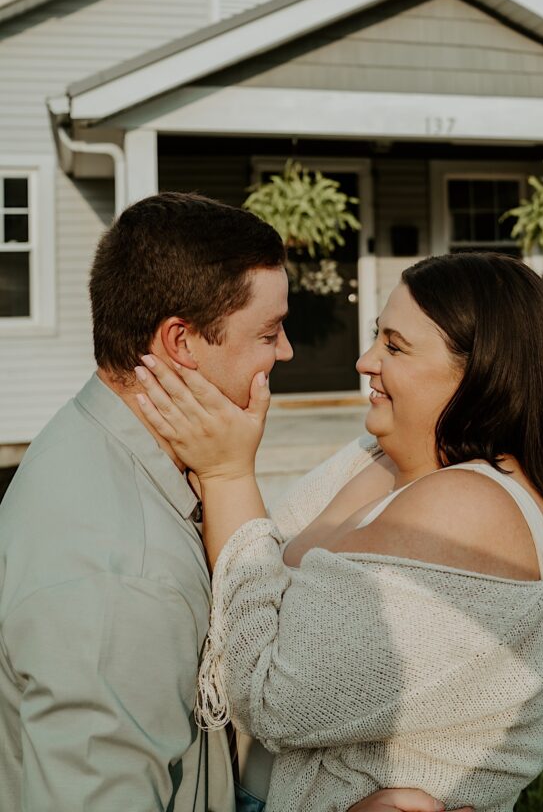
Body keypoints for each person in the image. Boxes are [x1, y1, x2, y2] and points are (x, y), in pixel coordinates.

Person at [0, 192, 457, 812]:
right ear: (181, 343)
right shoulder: (122, 582)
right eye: (268, 333)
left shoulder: (95, 439)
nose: (287, 351)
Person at [134, 252, 543, 812]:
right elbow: (250, 567)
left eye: (395, 347)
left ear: (481, 372)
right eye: (375, 338)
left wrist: (228, 473)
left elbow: (274, 697)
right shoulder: (379, 456)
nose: (364, 361)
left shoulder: (472, 506)